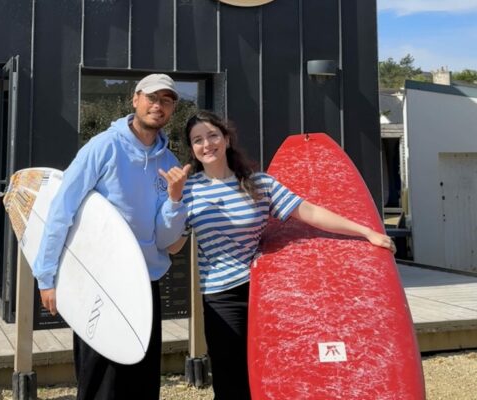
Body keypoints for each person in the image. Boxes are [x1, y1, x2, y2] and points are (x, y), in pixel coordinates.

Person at [168, 110, 396, 400]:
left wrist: (366, 232)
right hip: (221, 296)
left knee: (277, 371)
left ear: (226, 139)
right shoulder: (189, 191)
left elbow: (309, 212)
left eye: (212, 135)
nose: (206, 144)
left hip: (267, 292)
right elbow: (174, 246)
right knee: (231, 378)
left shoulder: (258, 184)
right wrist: (173, 199)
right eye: (197, 140)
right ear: (192, 150)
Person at [32, 73, 191, 400]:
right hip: (99, 284)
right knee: (101, 386)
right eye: (151, 97)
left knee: (142, 384)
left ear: (173, 109)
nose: (157, 106)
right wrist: (46, 276)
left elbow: (164, 239)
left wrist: (175, 199)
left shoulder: (170, 162)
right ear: (135, 99)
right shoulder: (103, 147)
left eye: (166, 100)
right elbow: (62, 208)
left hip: (144, 286)